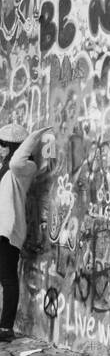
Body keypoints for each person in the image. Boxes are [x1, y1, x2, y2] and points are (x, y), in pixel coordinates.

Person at [0, 123, 51, 341]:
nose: (0, 148)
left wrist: (34, 137)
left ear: (13, 146)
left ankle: (5, 328)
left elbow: (17, 160)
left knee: (8, 279)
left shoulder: (23, 167)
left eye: (3, 144)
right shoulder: (5, 167)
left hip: (9, 229)